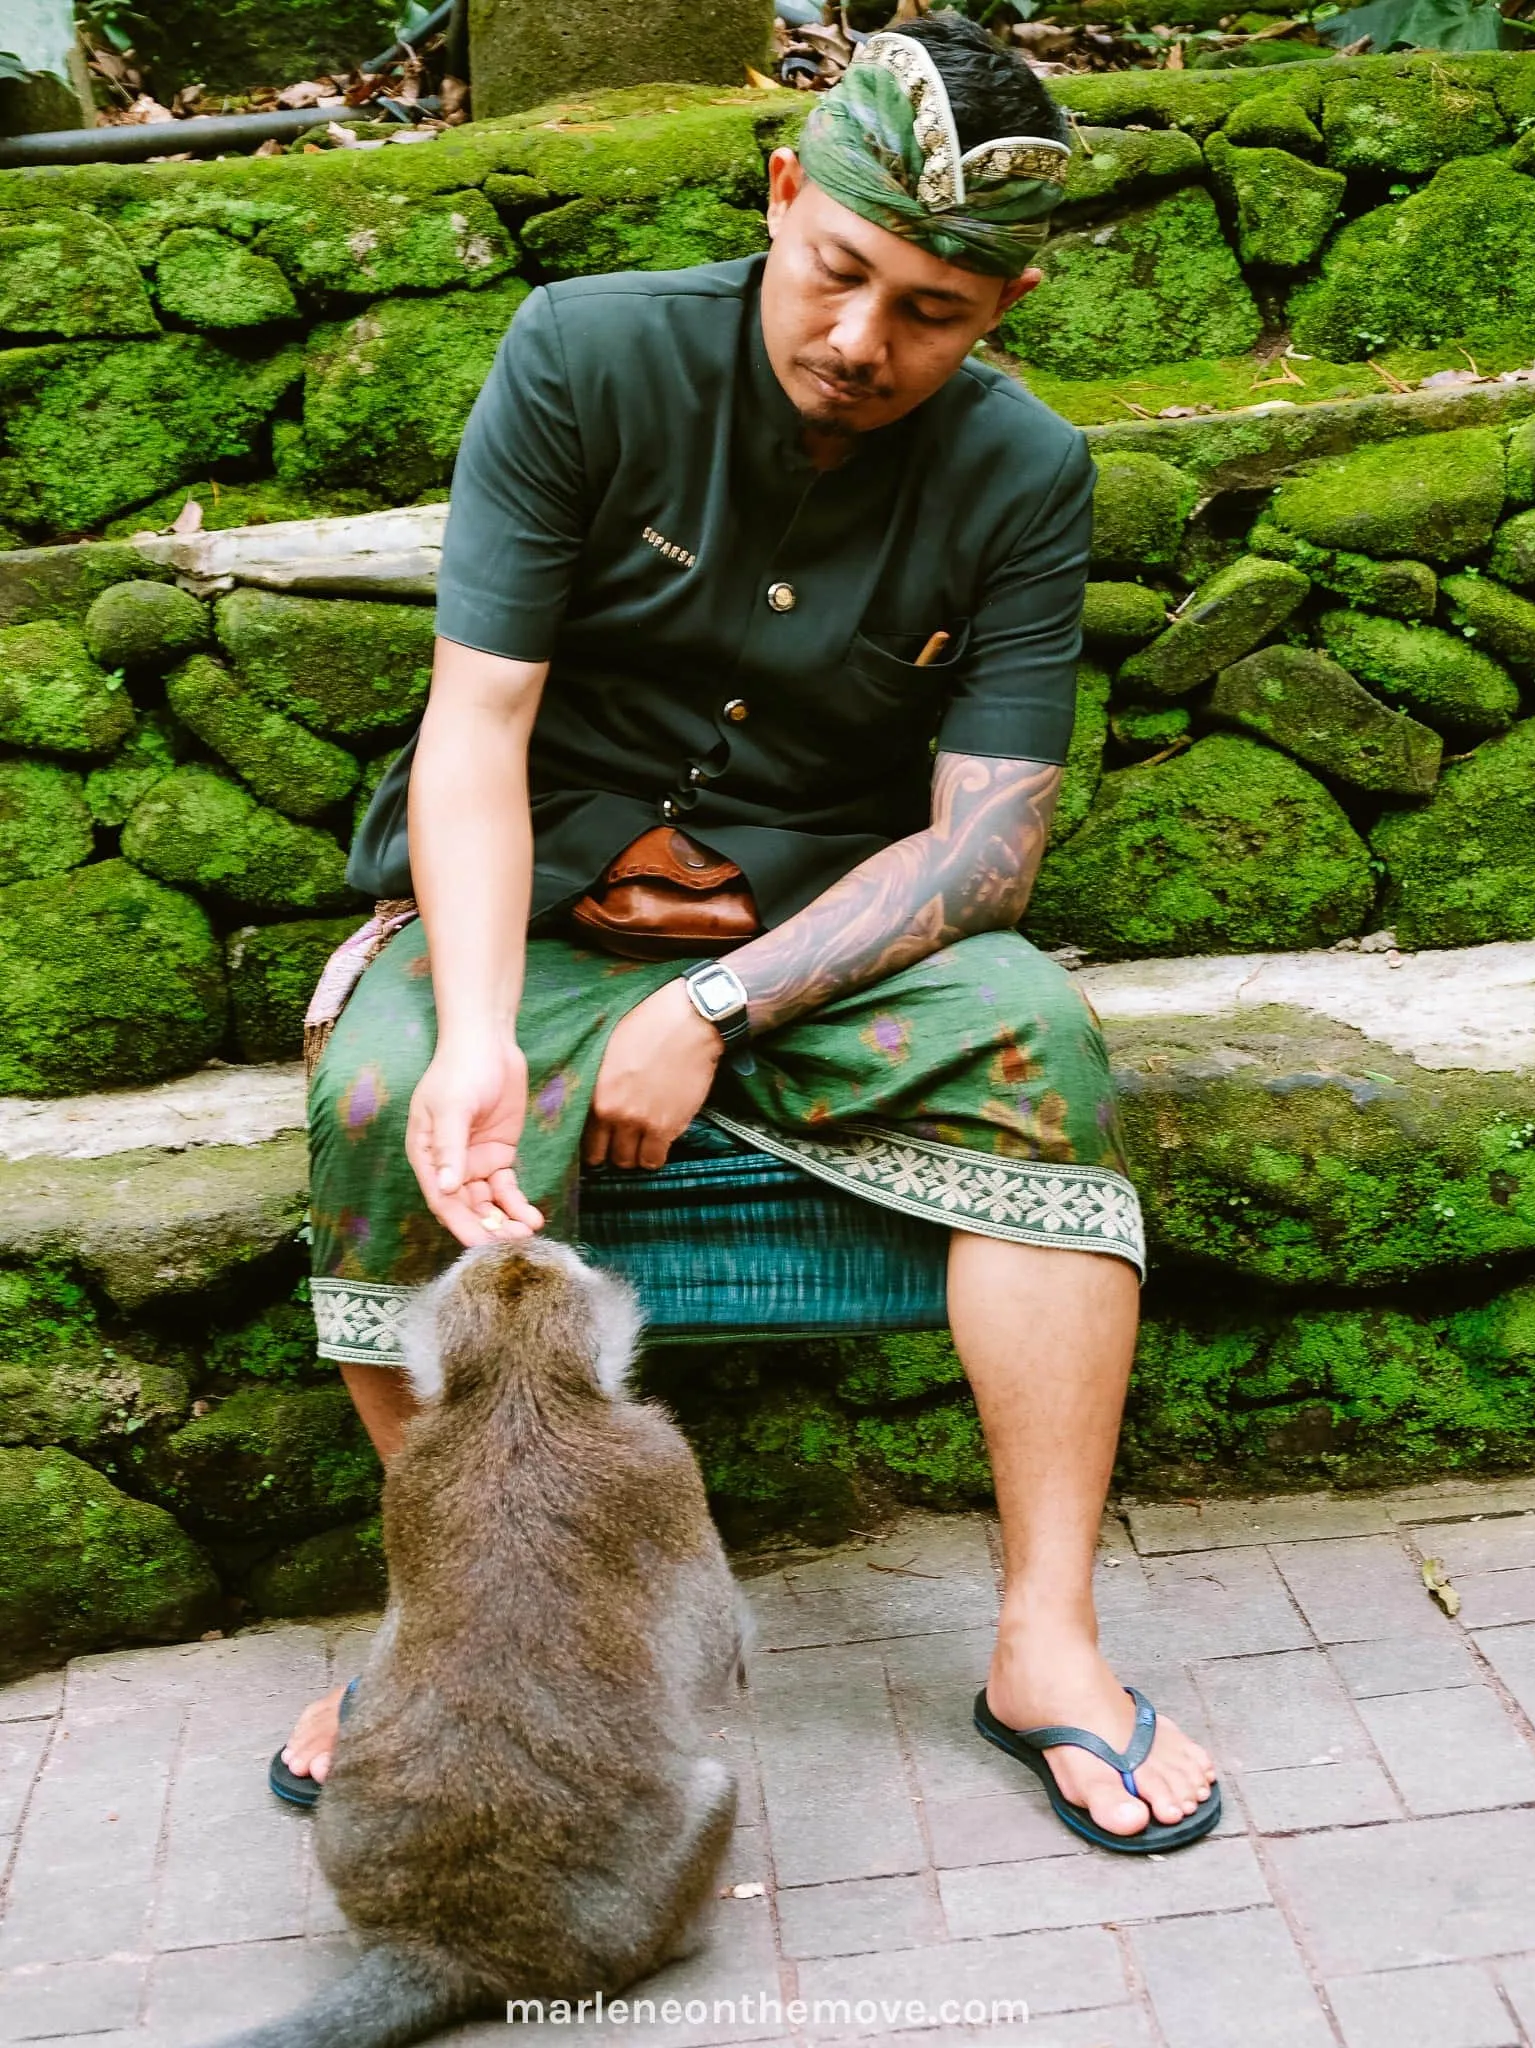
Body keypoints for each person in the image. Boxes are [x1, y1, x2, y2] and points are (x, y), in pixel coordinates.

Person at [277, 12, 1220, 1853]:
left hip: (821, 931)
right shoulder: (581, 354)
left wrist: (714, 998)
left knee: (1049, 1043)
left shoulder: (1026, 473)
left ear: (1003, 306)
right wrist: (477, 1031)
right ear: (782, 195)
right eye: (838, 273)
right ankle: (451, 1623)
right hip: (527, 899)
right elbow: (473, 728)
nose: (863, 343)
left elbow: (988, 849)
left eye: (931, 312)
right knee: (388, 1087)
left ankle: (1046, 1639)